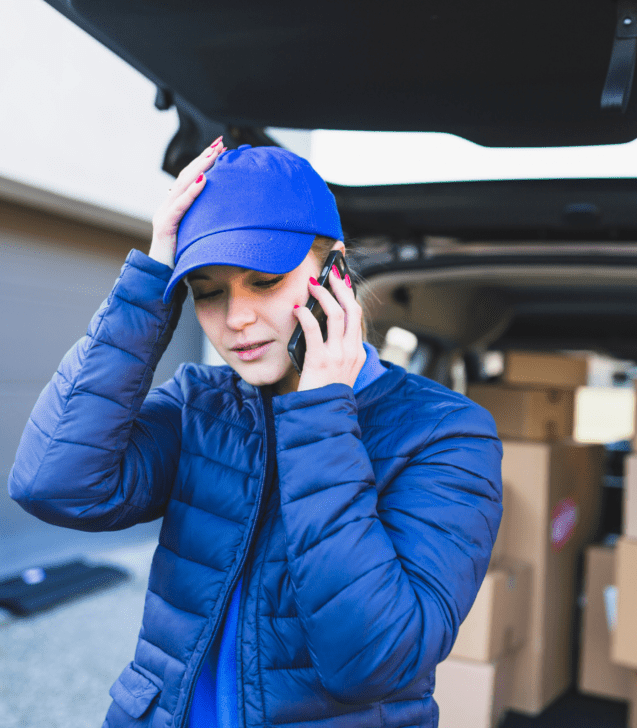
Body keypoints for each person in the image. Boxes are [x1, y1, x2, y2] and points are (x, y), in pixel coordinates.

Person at [8, 140, 504, 728]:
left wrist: (319, 414)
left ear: (335, 271)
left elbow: (374, 662)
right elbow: (54, 484)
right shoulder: (200, 403)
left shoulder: (446, 434)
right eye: (207, 291)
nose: (236, 319)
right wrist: (149, 280)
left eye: (264, 281)